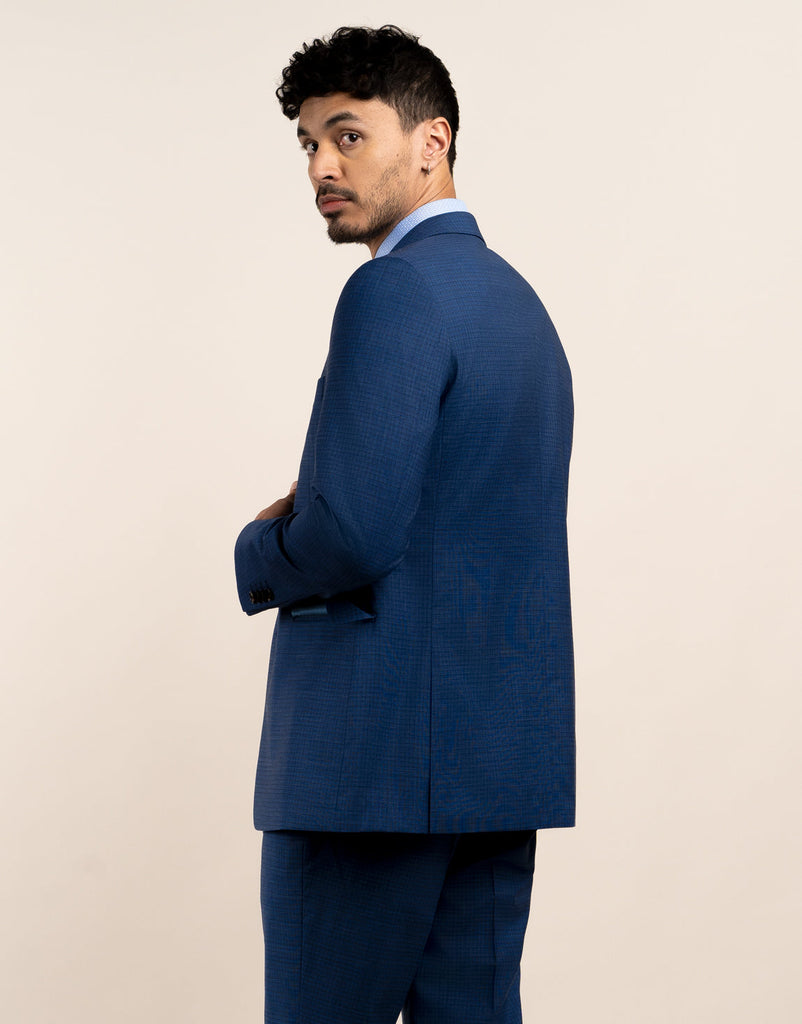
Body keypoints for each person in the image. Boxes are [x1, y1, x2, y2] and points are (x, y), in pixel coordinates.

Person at [234, 25, 575, 1024]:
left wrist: (259, 548)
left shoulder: (393, 290)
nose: (321, 166)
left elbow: (352, 532)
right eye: (308, 144)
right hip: (494, 761)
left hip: (370, 768)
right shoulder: (518, 305)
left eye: (348, 135)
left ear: (433, 141)